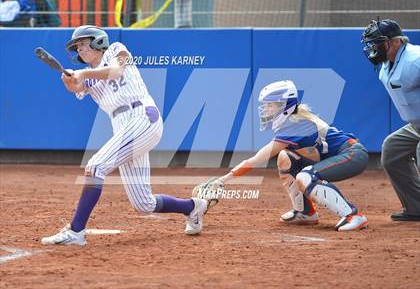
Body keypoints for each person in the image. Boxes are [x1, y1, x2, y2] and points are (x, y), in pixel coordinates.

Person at [41, 25, 208, 246]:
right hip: (122, 126)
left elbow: (117, 71)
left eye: (82, 43)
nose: (79, 49)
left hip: (142, 116)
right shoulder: (89, 77)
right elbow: (76, 87)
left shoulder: (116, 50)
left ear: (98, 41)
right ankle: (193, 207)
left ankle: (76, 231)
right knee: (143, 203)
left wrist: (82, 73)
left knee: (95, 167)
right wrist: (70, 82)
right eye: (76, 46)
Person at [195, 80, 369, 231]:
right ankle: (306, 213)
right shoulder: (293, 120)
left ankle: (353, 216)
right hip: (336, 155)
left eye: (270, 105)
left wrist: (222, 180)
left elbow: (256, 160)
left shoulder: (296, 125)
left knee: (306, 177)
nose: (265, 109)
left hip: (352, 155)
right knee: (285, 158)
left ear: (284, 106)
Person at [362, 19, 420, 221]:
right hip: (417, 124)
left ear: (395, 42)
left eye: (377, 42)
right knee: (393, 149)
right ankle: (416, 207)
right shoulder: (387, 65)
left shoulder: (415, 59)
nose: (373, 48)